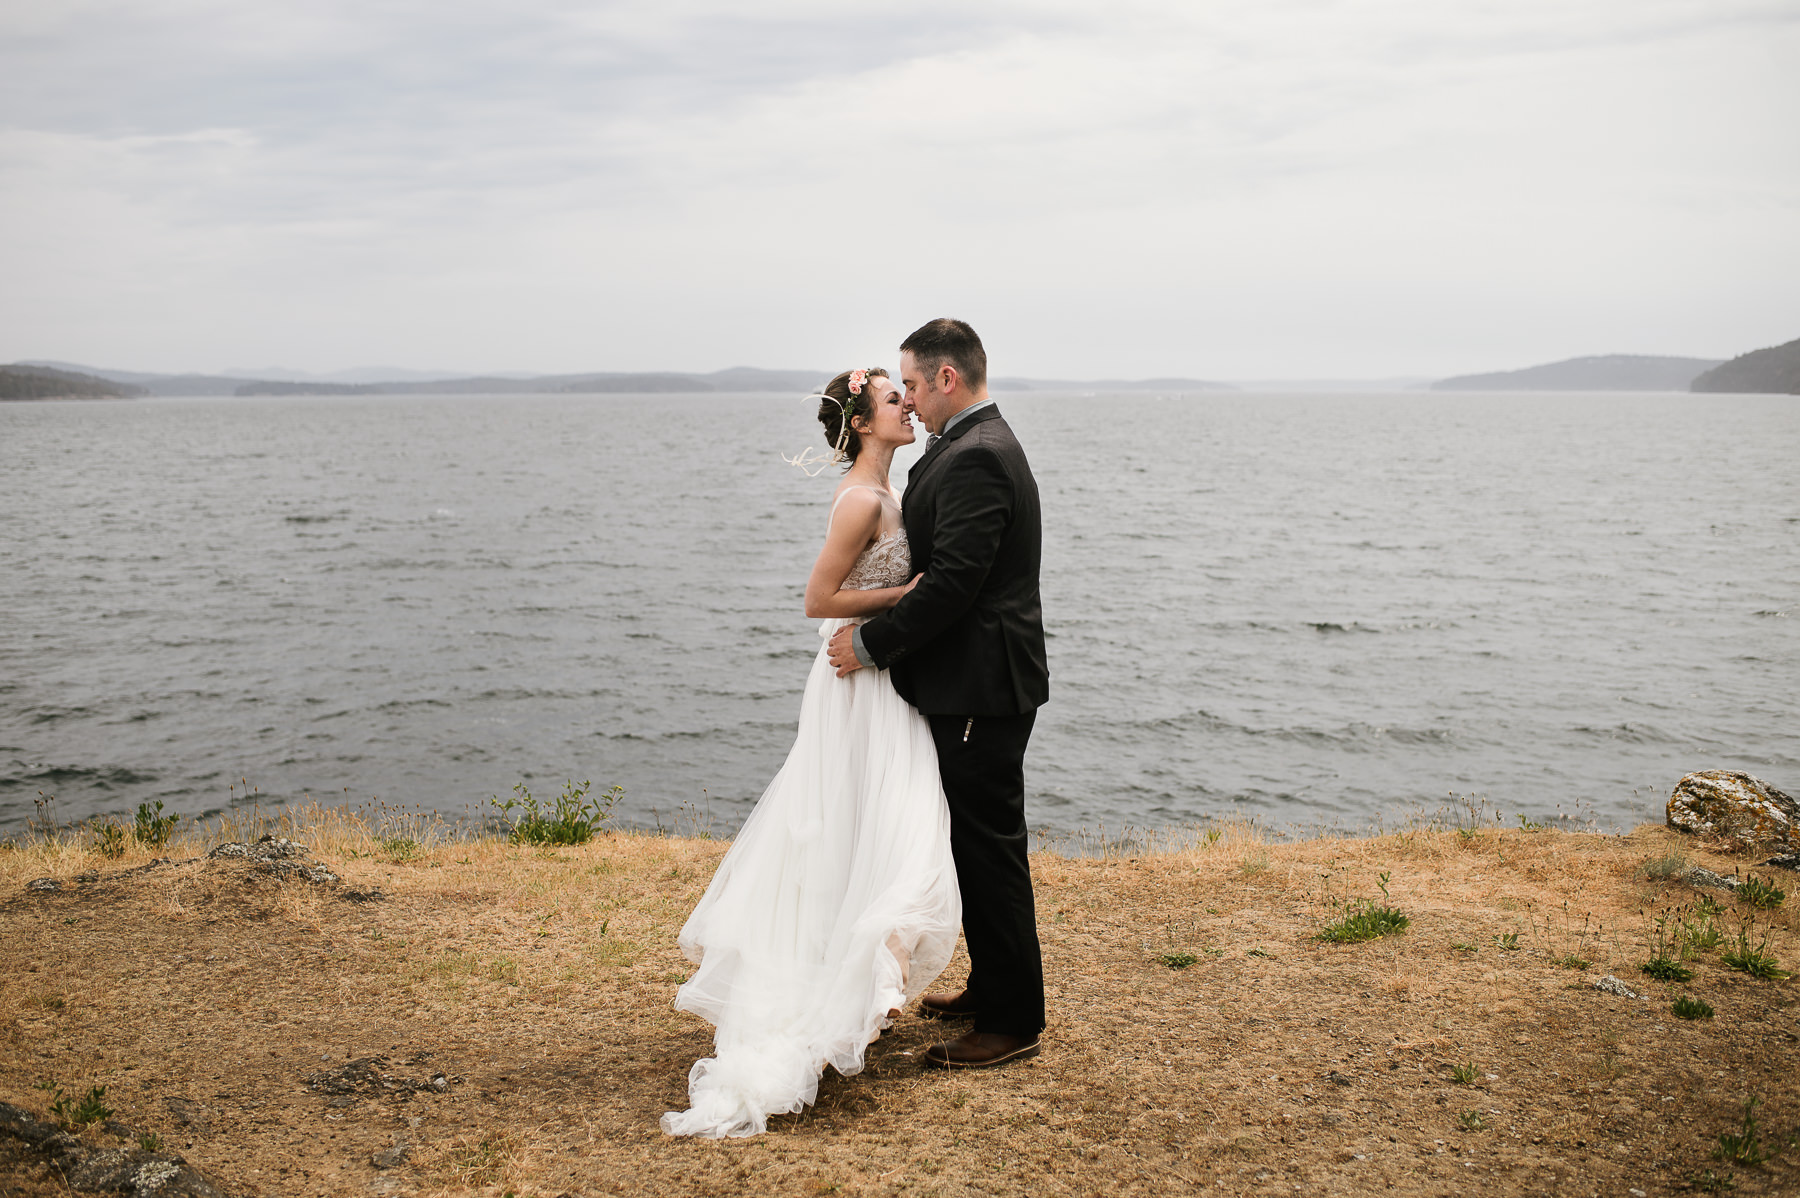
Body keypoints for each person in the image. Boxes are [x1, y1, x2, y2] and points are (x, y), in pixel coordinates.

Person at [660, 367, 961, 1139]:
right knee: (872, 819)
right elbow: (818, 599)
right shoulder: (863, 500)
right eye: (896, 399)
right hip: (853, 680)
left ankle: (865, 977)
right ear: (864, 422)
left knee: (881, 821)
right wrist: (907, 595)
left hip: (878, 678)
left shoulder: (891, 492)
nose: (910, 406)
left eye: (909, 395)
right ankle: (855, 982)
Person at [827, 318, 1050, 1070]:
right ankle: (993, 985)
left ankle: (1013, 1020)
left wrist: (865, 644)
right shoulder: (966, 447)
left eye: (915, 385)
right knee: (972, 842)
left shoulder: (979, 458)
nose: (913, 401)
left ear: (946, 379)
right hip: (972, 680)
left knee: (989, 849)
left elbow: (953, 584)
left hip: (981, 686)